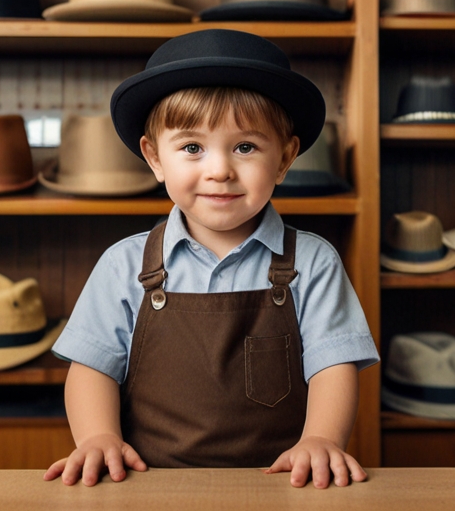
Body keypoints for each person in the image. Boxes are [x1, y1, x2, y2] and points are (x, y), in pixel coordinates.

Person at [44, 29, 379, 489]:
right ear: (154, 158)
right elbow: (92, 367)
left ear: (284, 159)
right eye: (191, 148)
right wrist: (98, 436)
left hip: (281, 485)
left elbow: (332, 366)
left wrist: (322, 438)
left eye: (245, 147)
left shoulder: (313, 262)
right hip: (148, 487)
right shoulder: (123, 264)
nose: (219, 169)